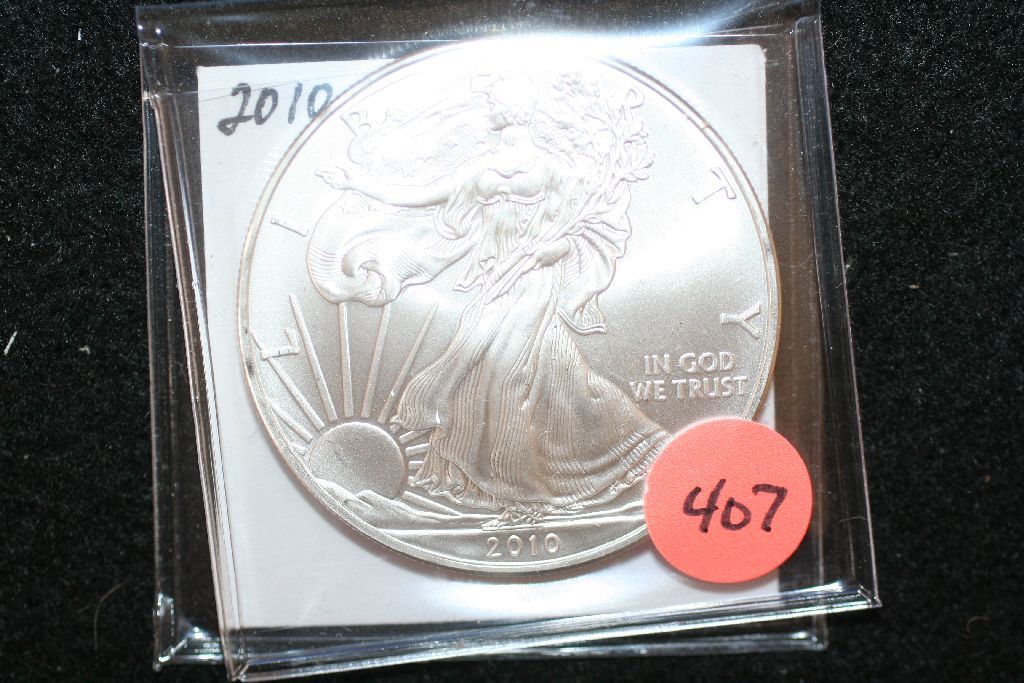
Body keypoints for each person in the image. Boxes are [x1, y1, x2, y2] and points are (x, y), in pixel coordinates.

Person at [313, 72, 666, 526]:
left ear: (512, 109)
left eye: (497, 102)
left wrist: (554, 248)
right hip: (494, 279)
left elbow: (587, 229)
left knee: (508, 377)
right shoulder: (481, 170)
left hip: (534, 280)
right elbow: (420, 197)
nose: (494, 109)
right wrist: (358, 183)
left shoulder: (554, 171)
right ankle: (606, 453)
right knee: (530, 375)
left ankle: (525, 499)